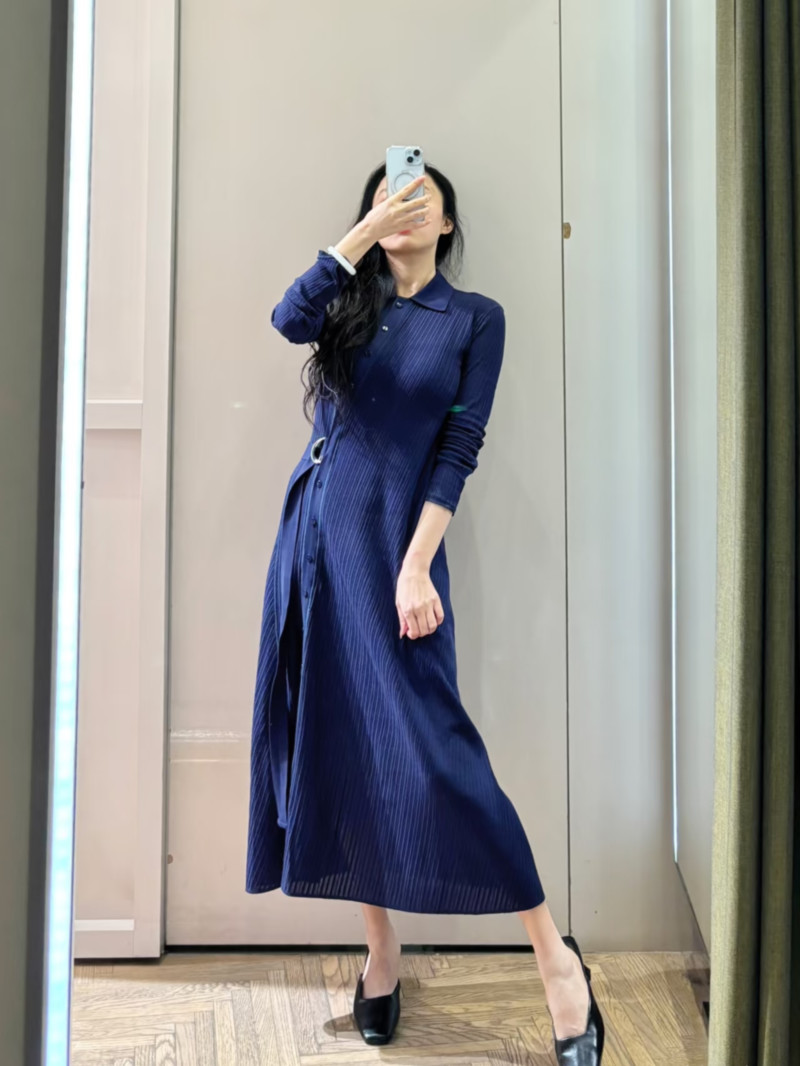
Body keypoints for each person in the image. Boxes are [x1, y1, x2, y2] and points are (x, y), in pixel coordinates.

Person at [246, 160, 604, 1064]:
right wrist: (360, 239)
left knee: (441, 752)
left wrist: (415, 566)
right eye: (388, 198)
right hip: (313, 543)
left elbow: (458, 445)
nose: (403, 209)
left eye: (420, 200)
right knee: (339, 744)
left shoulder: (474, 318)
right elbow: (287, 317)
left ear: (447, 224)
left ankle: (556, 961)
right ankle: (380, 952)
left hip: (393, 551)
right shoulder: (346, 300)